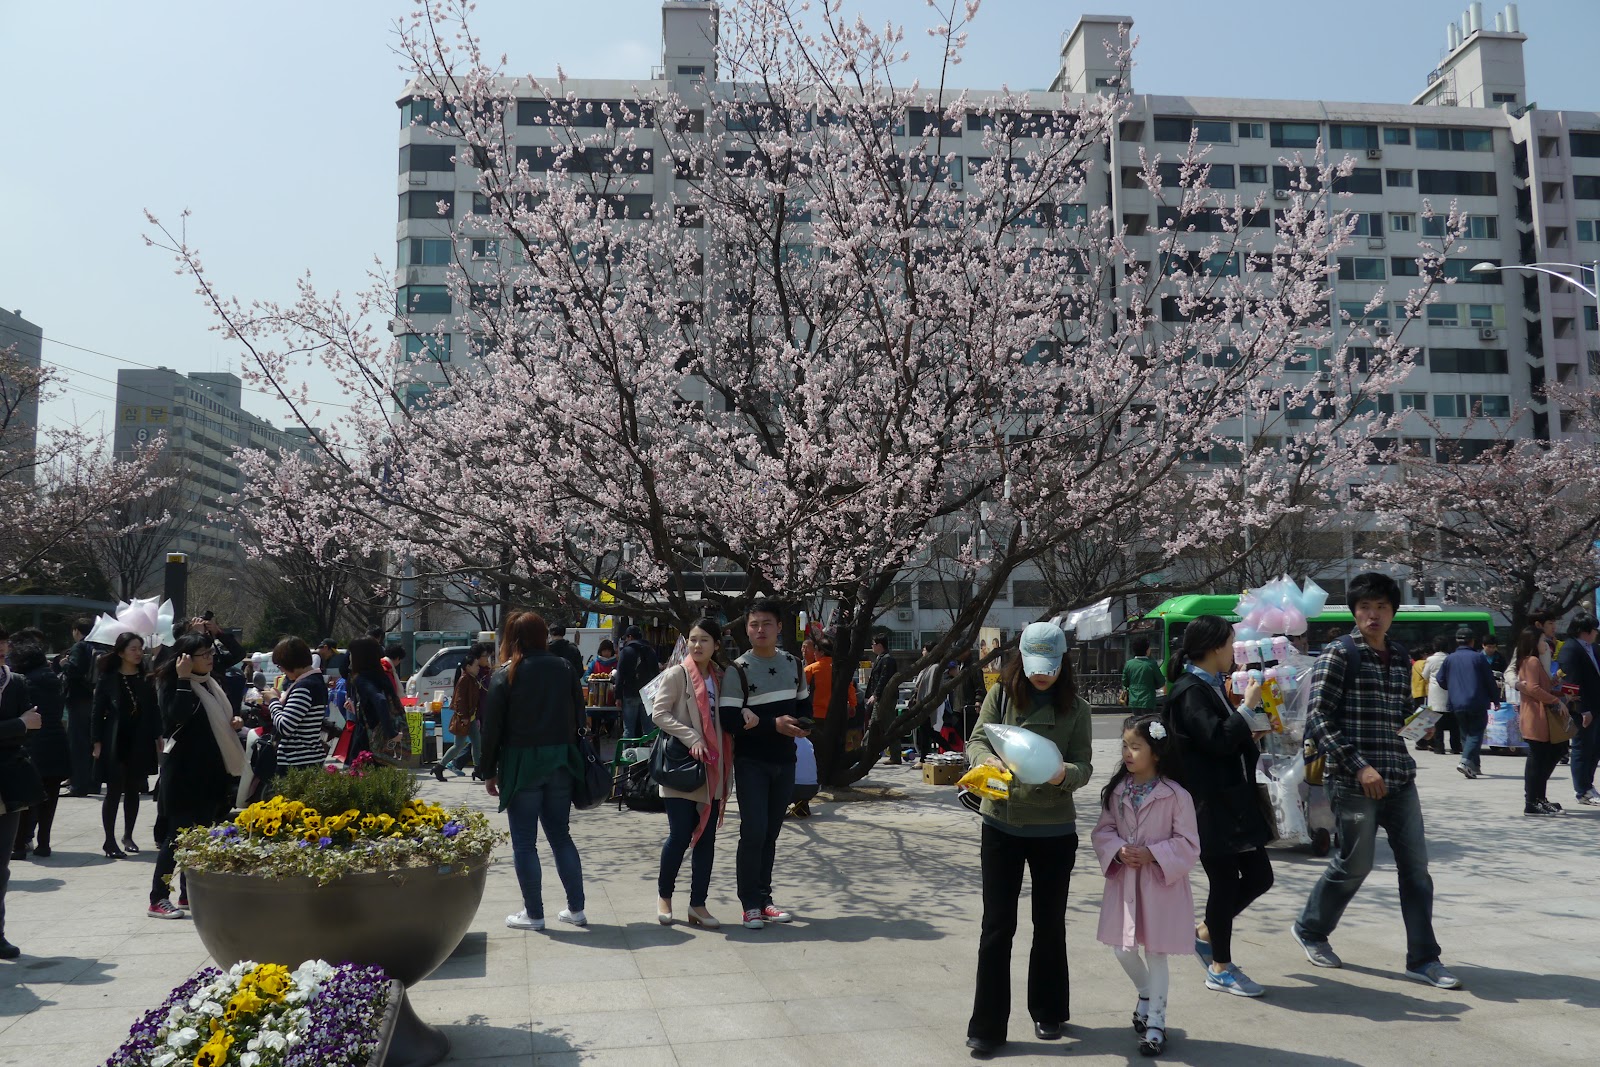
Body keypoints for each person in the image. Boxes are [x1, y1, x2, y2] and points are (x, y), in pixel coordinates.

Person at [1293, 572, 1461, 990]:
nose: (1373, 615)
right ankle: (1311, 929)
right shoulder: (1339, 653)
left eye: (1381, 607)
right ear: (1354, 611)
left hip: (1400, 777)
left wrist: (1415, 728)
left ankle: (1423, 958)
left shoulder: (1401, 656)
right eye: (1366, 607)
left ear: (1392, 613)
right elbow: (1317, 719)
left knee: (1417, 871)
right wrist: (1357, 766)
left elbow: (1397, 714)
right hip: (1354, 781)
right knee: (1355, 864)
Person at [962, 622, 1094, 1058]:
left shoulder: (1077, 709)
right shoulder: (1001, 695)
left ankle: (1049, 1009)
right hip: (1001, 823)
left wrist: (1063, 775)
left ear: (1063, 664)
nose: (1043, 676)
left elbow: (1084, 766)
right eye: (1036, 668)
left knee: (1049, 924)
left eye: (1051, 668)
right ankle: (987, 1025)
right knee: (997, 926)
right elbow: (980, 738)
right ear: (1021, 661)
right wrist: (985, 763)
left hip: (1054, 829)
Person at [1164, 614, 1273, 998]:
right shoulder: (1189, 690)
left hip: (1230, 801)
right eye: (1229, 644)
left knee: (1260, 877)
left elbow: (1221, 740)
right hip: (1209, 804)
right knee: (1225, 883)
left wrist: (1249, 728)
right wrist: (1246, 710)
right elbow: (1213, 740)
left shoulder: (1207, 687)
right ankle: (1221, 968)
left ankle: (1205, 932)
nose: (1233, 652)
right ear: (1213, 648)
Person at [1093, 713, 1200, 1058]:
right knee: (1122, 948)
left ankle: (1156, 1022)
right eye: (1125, 745)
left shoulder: (1176, 795)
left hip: (1160, 886)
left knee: (1156, 952)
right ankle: (1145, 992)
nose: (1127, 753)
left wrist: (1153, 854)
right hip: (1125, 881)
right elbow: (1103, 831)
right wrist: (1117, 850)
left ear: (1156, 751)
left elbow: (1188, 844)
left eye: (1135, 746)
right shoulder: (1118, 790)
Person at [480, 612, 587, 931]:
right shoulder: (564, 668)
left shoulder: (505, 674)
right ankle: (576, 909)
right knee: (561, 836)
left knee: (525, 843)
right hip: (560, 760)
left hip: (520, 763)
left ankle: (535, 914)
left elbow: (492, 729)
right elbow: (579, 715)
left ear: (511, 638)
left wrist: (488, 770)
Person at [718, 599, 811, 931]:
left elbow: (805, 710)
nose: (760, 630)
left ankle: (764, 898)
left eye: (766, 624)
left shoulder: (794, 665)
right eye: (754, 624)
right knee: (753, 831)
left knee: (771, 833)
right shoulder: (738, 670)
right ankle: (749, 905)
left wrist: (800, 725)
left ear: (779, 627)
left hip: (785, 762)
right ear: (746, 628)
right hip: (751, 763)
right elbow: (729, 718)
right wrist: (773, 724)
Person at [148, 632, 246, 919]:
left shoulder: (211, 683)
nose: (210, 658)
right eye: (204, 655)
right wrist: (181, 679)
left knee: (202, 836)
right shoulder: (171, 683)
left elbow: (218, 721)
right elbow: (176, 717)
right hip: (182, 773)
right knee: (177, 837)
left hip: (210, 771)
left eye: (210, 653)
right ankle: (157, 898)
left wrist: (235, 721)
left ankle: (189, 894)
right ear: (185, 658)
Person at [649, 617, 732, 929]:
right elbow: (659, 713)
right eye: (693, 639)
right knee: (680, 835)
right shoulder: (677, 674)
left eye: (704, 640)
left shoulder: (720, 679)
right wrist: (692, 736)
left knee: (706, 840)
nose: (697, 645)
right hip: (682, 768)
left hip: (713, 769)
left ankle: (698, 904)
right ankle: (664, 896)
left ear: (716, 646)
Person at [92, 632, 160, 859]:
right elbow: (97, 712)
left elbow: (153, 710)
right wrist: (96, 741)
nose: (138, 653)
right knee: (113, 791)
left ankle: (128, 835)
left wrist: (158, 735)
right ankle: (109, 840)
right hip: (115, 738)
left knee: (133, 789)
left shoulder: (146, 678)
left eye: (140, 648)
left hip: (140, 739)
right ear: (121, 652)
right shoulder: (108, 677)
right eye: (133, 648)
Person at [10, 630, 69, 860]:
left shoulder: (24, 683)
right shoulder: (54, 679)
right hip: (57, 744)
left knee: (25, 798)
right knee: (50, 798)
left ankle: (19, 843)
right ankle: (44, 842)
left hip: (33, 746)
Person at [0, 657, 43, 958]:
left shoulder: (14, 681)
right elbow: (24, 724)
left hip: (7, 781)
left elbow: (35, 724)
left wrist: (21, 727)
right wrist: (17, 724)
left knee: (1, 867)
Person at [1514, 626, 1570, 816]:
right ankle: (1532, 801)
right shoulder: (1531, 661)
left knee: (1548, 755)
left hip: (1539, 716)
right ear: (1533, 643)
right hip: (1535, 717)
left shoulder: (1534, 662)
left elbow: (1538, 687)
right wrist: (1556, 700)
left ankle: (1539, 798)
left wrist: (1559, 689)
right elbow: (1534, 688)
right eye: (1542, 640)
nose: (1545, 643)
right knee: (1538, 760)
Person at [1434, 625, 1500, 779]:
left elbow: (1440, 679)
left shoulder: (1449, 658)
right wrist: (1495, 699)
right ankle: (1465, 761)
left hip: (1456, 703)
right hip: (1476, 701)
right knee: (1476, 733)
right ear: (1472, 641)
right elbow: (1489, 680)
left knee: (1466, 734)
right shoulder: (1478, 658)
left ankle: (1474, 766)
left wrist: (1452, 687)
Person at [265, 637, 329, 788]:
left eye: (280, 666)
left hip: (297, 762)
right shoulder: (315, 681)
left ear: (290, 664)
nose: (281, 670)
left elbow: (285, 726)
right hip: (309, 758)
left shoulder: (304, 687)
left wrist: (273, 701)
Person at [1556, 613, 1600, 806]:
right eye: (1594, 629)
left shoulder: (1592, 648)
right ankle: (1582, 790)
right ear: (1585, 631)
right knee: (1582, 748)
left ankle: (1588, 784)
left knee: (1594, 748)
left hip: (1596, 706)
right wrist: (1582, 709)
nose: (1596, 632)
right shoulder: (1570, 649)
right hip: (1583, 708)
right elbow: (1570, 684)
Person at [435, 641, 492, 780]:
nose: (479, 667)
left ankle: (478, 770)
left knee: (477, 745)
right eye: (476, 665)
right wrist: (464, 716)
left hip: (472, 718)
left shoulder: (473, 679)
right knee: (458, 746)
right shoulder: (465, 679)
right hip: (465, 718)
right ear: (469, 666)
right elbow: (459, 700)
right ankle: (439, 767)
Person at [59, 617, 98, 796]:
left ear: (76, 630)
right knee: (92, 742)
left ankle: (78, 785)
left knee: (78, 743)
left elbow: (74, 670)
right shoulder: (98, 646)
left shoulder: (80, 647)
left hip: (78, 698)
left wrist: (64, 664)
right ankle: (93, 783)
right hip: (95, 698)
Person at [345, 637, 399, 765]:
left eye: (352, 654)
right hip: (380, 740)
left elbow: (380, 700)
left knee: (360, 776)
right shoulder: (381, 675)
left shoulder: (362, 679)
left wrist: (391, 733)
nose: (350, 658)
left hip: (367, 738)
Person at [616, 626, 661, 739]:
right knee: (649, 728)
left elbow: (620, 675)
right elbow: (656, 673)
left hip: (630, 693)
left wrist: (618, 696)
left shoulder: (626, 651)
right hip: (648, 693)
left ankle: (627, 754)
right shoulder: (650, 650)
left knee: (628, 729)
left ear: (630, 637)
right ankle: (650, 754)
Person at [803, 636, 856, 726]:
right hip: (837, 713)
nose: (814, 653)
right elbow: (850, 688)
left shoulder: (811, 669)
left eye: (816, 650)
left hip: (817, 713)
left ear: (822, 652)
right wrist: (852, 705)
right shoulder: (840, 669)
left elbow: (799, 688)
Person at [1420, 635, 1455, 755]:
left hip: (1436, 694)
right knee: (1453, 723)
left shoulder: (1431, 660)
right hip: (1450, 693)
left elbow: (1424, 675)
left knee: (1437, 724)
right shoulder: (1451, 658)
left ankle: (1439, 747)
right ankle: (1456, 746)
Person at [1120, 637, 1166, 711]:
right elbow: (1161, 682)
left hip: (1134, 701)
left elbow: (1125, 682)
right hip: (1148, 701)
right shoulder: (1152, 664)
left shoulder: (1128, 664)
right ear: (1147, 650)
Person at [789, 735, 819, 818]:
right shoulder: (808, 742)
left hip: (793, 789)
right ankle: (802, 807)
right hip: (813, 789)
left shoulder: (786, 742)